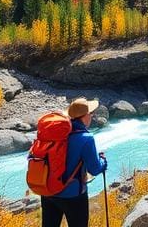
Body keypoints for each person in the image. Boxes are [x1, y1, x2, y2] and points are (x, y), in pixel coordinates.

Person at [41, 96, 108, 227]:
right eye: (91, 113)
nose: (92, 116)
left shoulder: (55, 134)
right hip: (73, 194)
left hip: (48, 191)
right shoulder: (86, 138)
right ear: (85, 116)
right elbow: (94, 169)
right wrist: (103, 163)